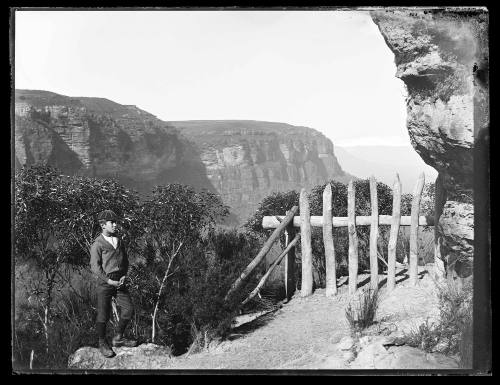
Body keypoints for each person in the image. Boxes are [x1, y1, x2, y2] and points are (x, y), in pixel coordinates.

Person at [90, 209, 137, 358]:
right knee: (103, 314)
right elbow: (95, 267)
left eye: (116, 222)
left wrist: (124, 276)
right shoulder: (97, 244)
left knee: (128, 309)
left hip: (120, 281)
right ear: (103, 225)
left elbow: (126, 261)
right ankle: (102, 343)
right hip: (105, 282)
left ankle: (118, 338)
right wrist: (109, 280)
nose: (115, 225)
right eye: (112, 222)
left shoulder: (119, 240)